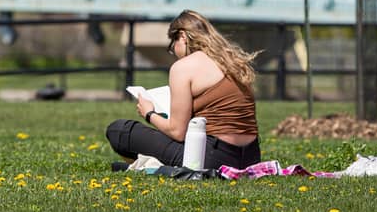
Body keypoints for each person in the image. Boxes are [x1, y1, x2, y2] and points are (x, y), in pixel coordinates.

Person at [105, 10, 263, 170]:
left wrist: (149, 113)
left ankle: (150, 164)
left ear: (182, 36)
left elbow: (177, 132)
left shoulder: (183, 67)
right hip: (250, 157)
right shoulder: (234, 62)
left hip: (211, 157)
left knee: (119, 130)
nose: (173, 51)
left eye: (172, 45)